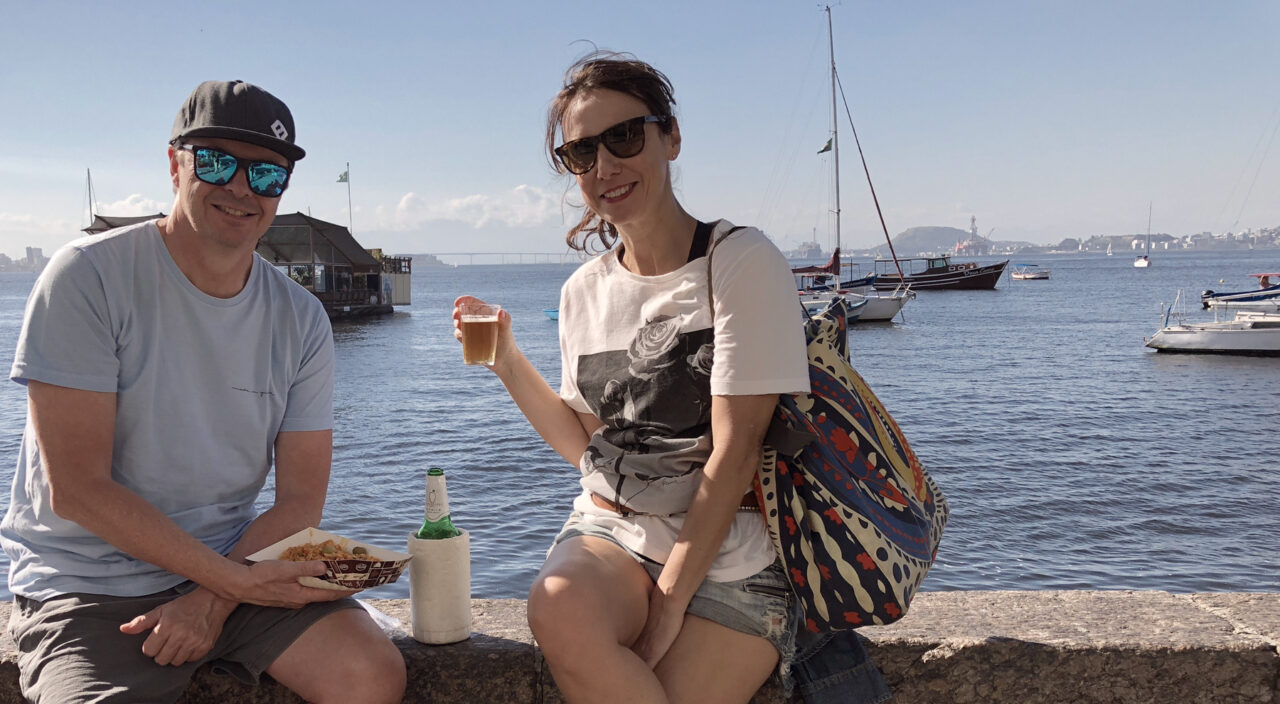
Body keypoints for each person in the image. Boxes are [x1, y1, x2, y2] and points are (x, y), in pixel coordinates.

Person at [454, 52, 887, 704]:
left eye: (624, 137)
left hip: (735, 555)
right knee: (555, 605)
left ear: (671, 136)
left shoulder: (739, 262)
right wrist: (509, 361)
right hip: (611, 536)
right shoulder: (582, 293)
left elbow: (736, 451)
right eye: (579, 154)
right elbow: (594, 451)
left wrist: (670, 602)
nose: (603, 167)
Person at [1, 80, 406, 704]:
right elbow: (77, 489)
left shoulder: (300, 318)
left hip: (232, 568)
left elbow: (300, 500)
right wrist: (230, 584)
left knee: (370, 675)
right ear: (174, 165)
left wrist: (216, 597)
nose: (242, 189)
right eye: (218, 163)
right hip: (89, 581)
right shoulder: (87, 278)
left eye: (267, 176)